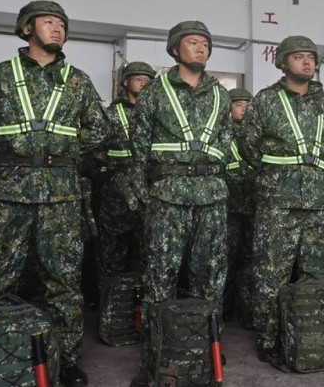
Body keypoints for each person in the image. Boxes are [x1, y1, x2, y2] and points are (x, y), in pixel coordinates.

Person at [0, 0, 108, 387]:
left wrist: (64, 154)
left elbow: (99, 129)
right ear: (27, 29)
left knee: (64, 280)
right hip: (9, 193)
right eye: (48, 22)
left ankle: (67, 359)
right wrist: (2, 155)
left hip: (60, 194)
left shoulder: (78, 81)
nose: (57, 28)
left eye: (62, 24)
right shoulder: (1, 76)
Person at [128, 21, 232, 385]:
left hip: (211, 194)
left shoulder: (220, 94)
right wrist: (144, 197)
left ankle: (208, 348)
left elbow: (226, 141)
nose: (201, 48)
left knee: (211, 276)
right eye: (192, 42)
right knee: (161, 275)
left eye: (205, 43)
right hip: (167, 195)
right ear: (175, 50)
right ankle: (154, 354)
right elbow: (137, 149)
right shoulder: (155, 93)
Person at [237, 35, 324, 362]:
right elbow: (248, 147)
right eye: (299, 57)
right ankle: (269, 338)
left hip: (319, 202)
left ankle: (319, 336)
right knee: (272, 272)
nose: (307, 62)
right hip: (278, 200)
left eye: (311, 56)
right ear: (283, 62)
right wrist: (276, 178)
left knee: (322, 271)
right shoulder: (266, 100)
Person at [96, 61, 156, 276]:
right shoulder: (110, 114)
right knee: (112, 248)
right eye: (138, 79)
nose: (144, 84)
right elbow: (95, 149)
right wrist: (108, 176)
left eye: (148, 81)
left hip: (148, 189)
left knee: (148, 248)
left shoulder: (157, 116)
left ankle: (142, 306)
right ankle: (110, 302)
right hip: (116, 191)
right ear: (125, 81)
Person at [222, 87, 255, 320]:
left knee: (252, 259)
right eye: (238, 105)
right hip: (229, 206)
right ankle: (224, 310)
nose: (244, 109)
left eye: (247, 105)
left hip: (254, 205)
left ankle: (248, 309)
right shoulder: (221, 134)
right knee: (226, 258)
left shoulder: (256, 134)